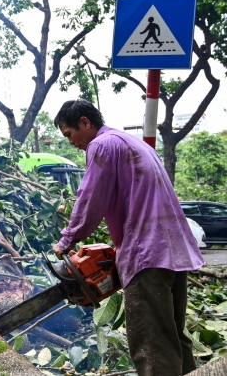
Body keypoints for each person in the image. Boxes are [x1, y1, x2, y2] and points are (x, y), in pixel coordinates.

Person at [52, 99, 203, 376]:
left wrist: (67, 241)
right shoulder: (133, 143)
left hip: (147, 254)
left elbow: (90, 200)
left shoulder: (101, 145)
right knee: (173, 336)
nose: (71, 143)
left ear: (85, 122)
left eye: (69, 135)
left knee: (152, 344)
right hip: (174, 250)